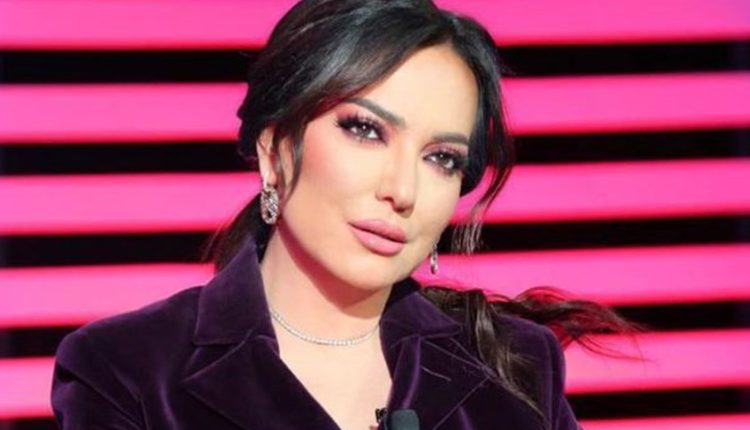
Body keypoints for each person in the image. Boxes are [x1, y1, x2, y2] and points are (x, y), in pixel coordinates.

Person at [51, 1, 638, 429]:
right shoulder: (127, 370)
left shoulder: (516, 366)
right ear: (274, 148)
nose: (402, 190)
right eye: (365, 130)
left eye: (441, 158)